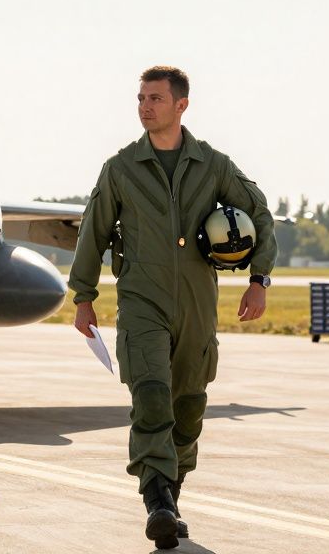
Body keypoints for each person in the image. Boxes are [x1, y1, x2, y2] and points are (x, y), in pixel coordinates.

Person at [68, 65, 276, 549]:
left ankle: (171, 493)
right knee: (152, 393)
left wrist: (259, 279)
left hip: (198, 304)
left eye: (156, 99)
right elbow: (92, 232)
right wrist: (83, 296)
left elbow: (259, 213)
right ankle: (157, 498)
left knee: (189, 404)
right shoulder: (120, 169)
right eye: (141, 98)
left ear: (182, 105)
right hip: (142, 300)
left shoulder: (214, 165)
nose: (145, 106)